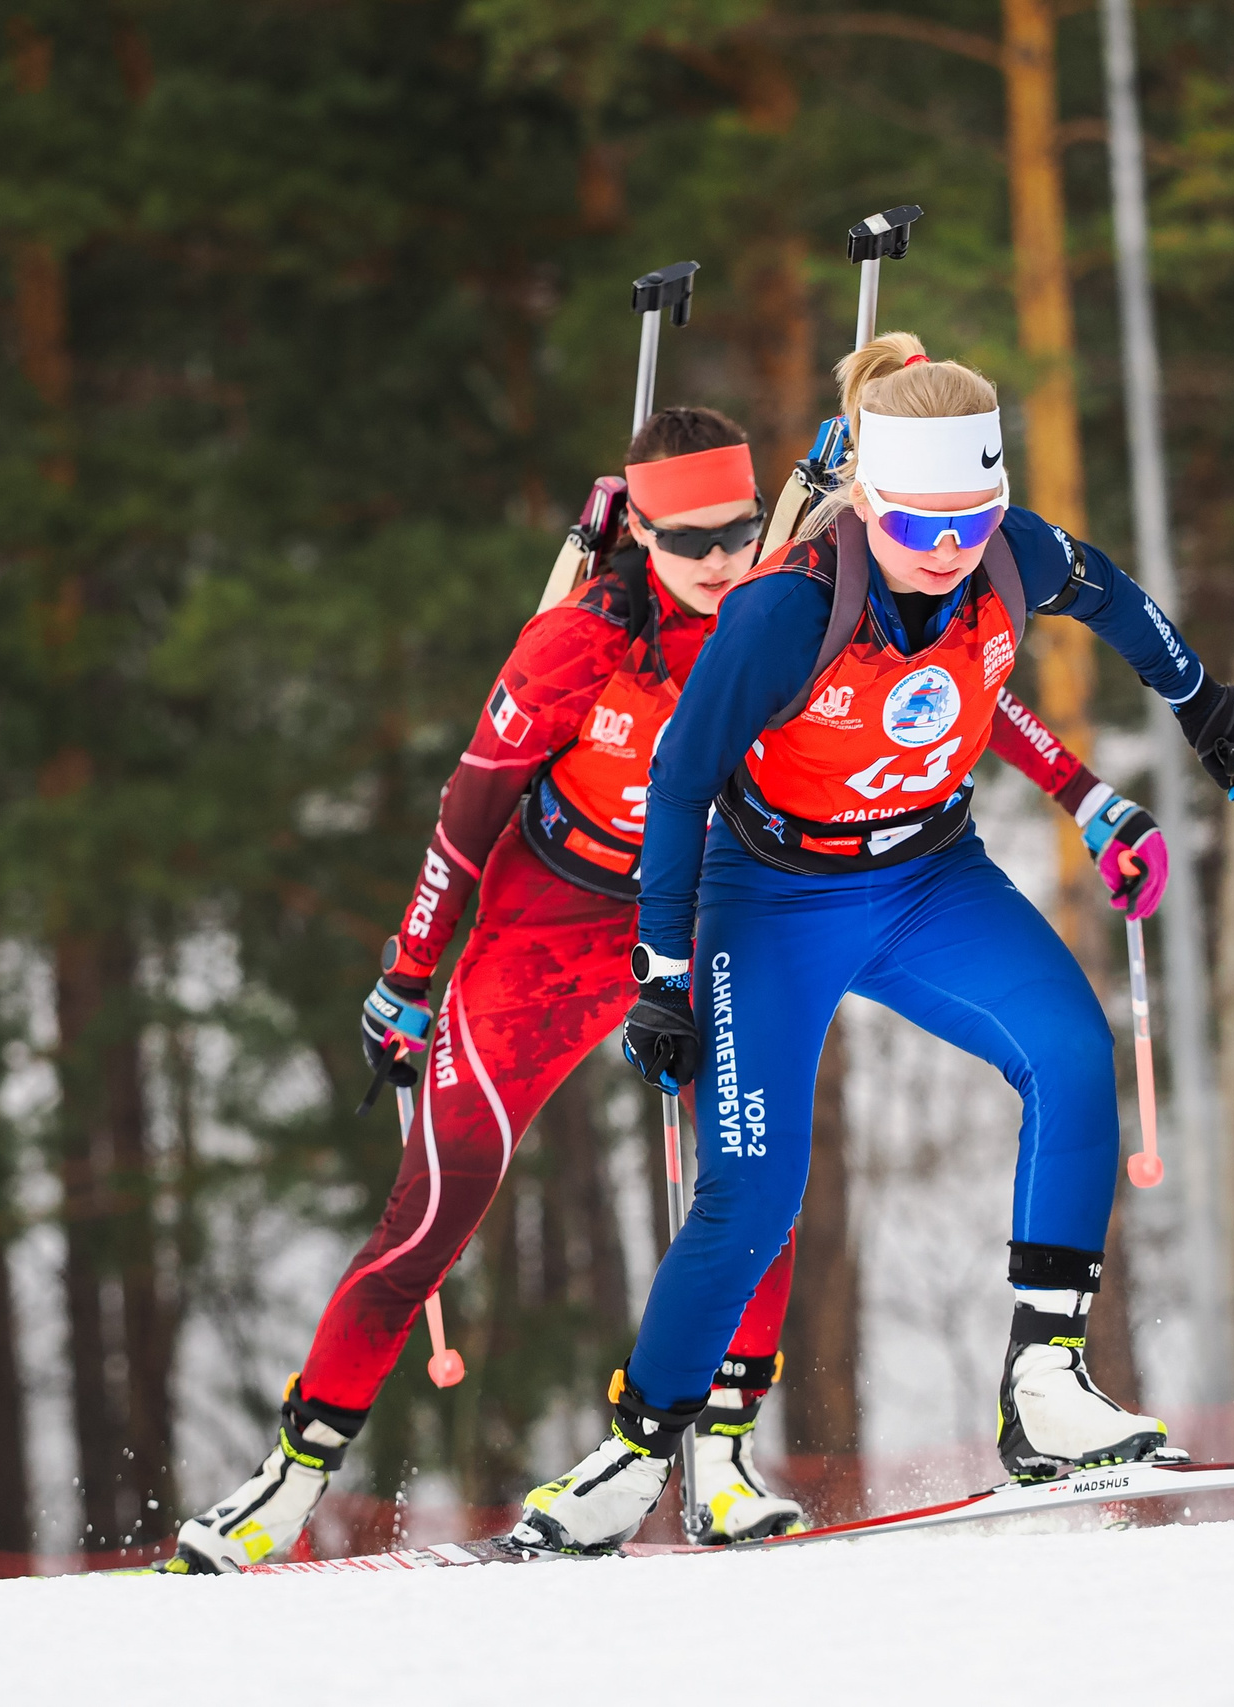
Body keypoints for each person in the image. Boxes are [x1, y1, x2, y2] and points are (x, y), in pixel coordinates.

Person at [171, 405, 1170, 1569]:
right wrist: (407, 971)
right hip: (553, 922)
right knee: (437, 1202)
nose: (718, 558)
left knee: (753, 1179)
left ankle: (720, 1457)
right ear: (638, 532)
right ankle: (288, 1479)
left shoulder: (790, 608)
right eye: (686, 539)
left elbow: (949, 702)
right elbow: (465, 817)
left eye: (738, 530)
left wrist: (1086, 795)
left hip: (704, 907)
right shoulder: (578, 644)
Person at [513, 334, 1234, 1554]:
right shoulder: (786, 608)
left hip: (927, 881)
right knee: (754, 1193)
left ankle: (1045, 1386)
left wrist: (1198, 697)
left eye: (972, 518)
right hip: (770, 900)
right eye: (920, 524)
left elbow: (1114, 596)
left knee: (1071, 1052)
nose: (949, 547)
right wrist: (659, 970)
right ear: (867, 500)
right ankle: (636, 1450)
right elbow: (681, 774)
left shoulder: (1012, 557)